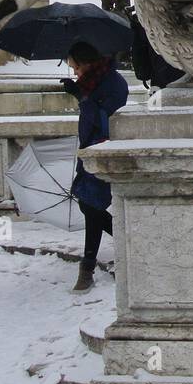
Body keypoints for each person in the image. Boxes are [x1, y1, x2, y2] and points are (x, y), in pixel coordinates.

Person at [61, 42, 128, 292]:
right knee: (88, 204)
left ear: (88, 62)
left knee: (91, 205)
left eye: (76, 67)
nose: (75, 73)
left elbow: (105, 121)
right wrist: (81, 94)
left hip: (104, 150)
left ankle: (87, 268)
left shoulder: (113, 83)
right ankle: (131, 243)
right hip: (89, 150)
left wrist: (84, 99)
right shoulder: (91, 82)